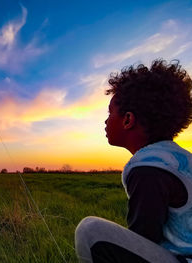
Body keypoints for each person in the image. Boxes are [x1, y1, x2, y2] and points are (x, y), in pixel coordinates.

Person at [75, 59, 192, 263]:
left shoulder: (148, 167)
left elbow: (143, 240)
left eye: (110, 112)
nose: (105, 120)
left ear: (128, 120)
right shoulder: (180, 158)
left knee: (90, 231)